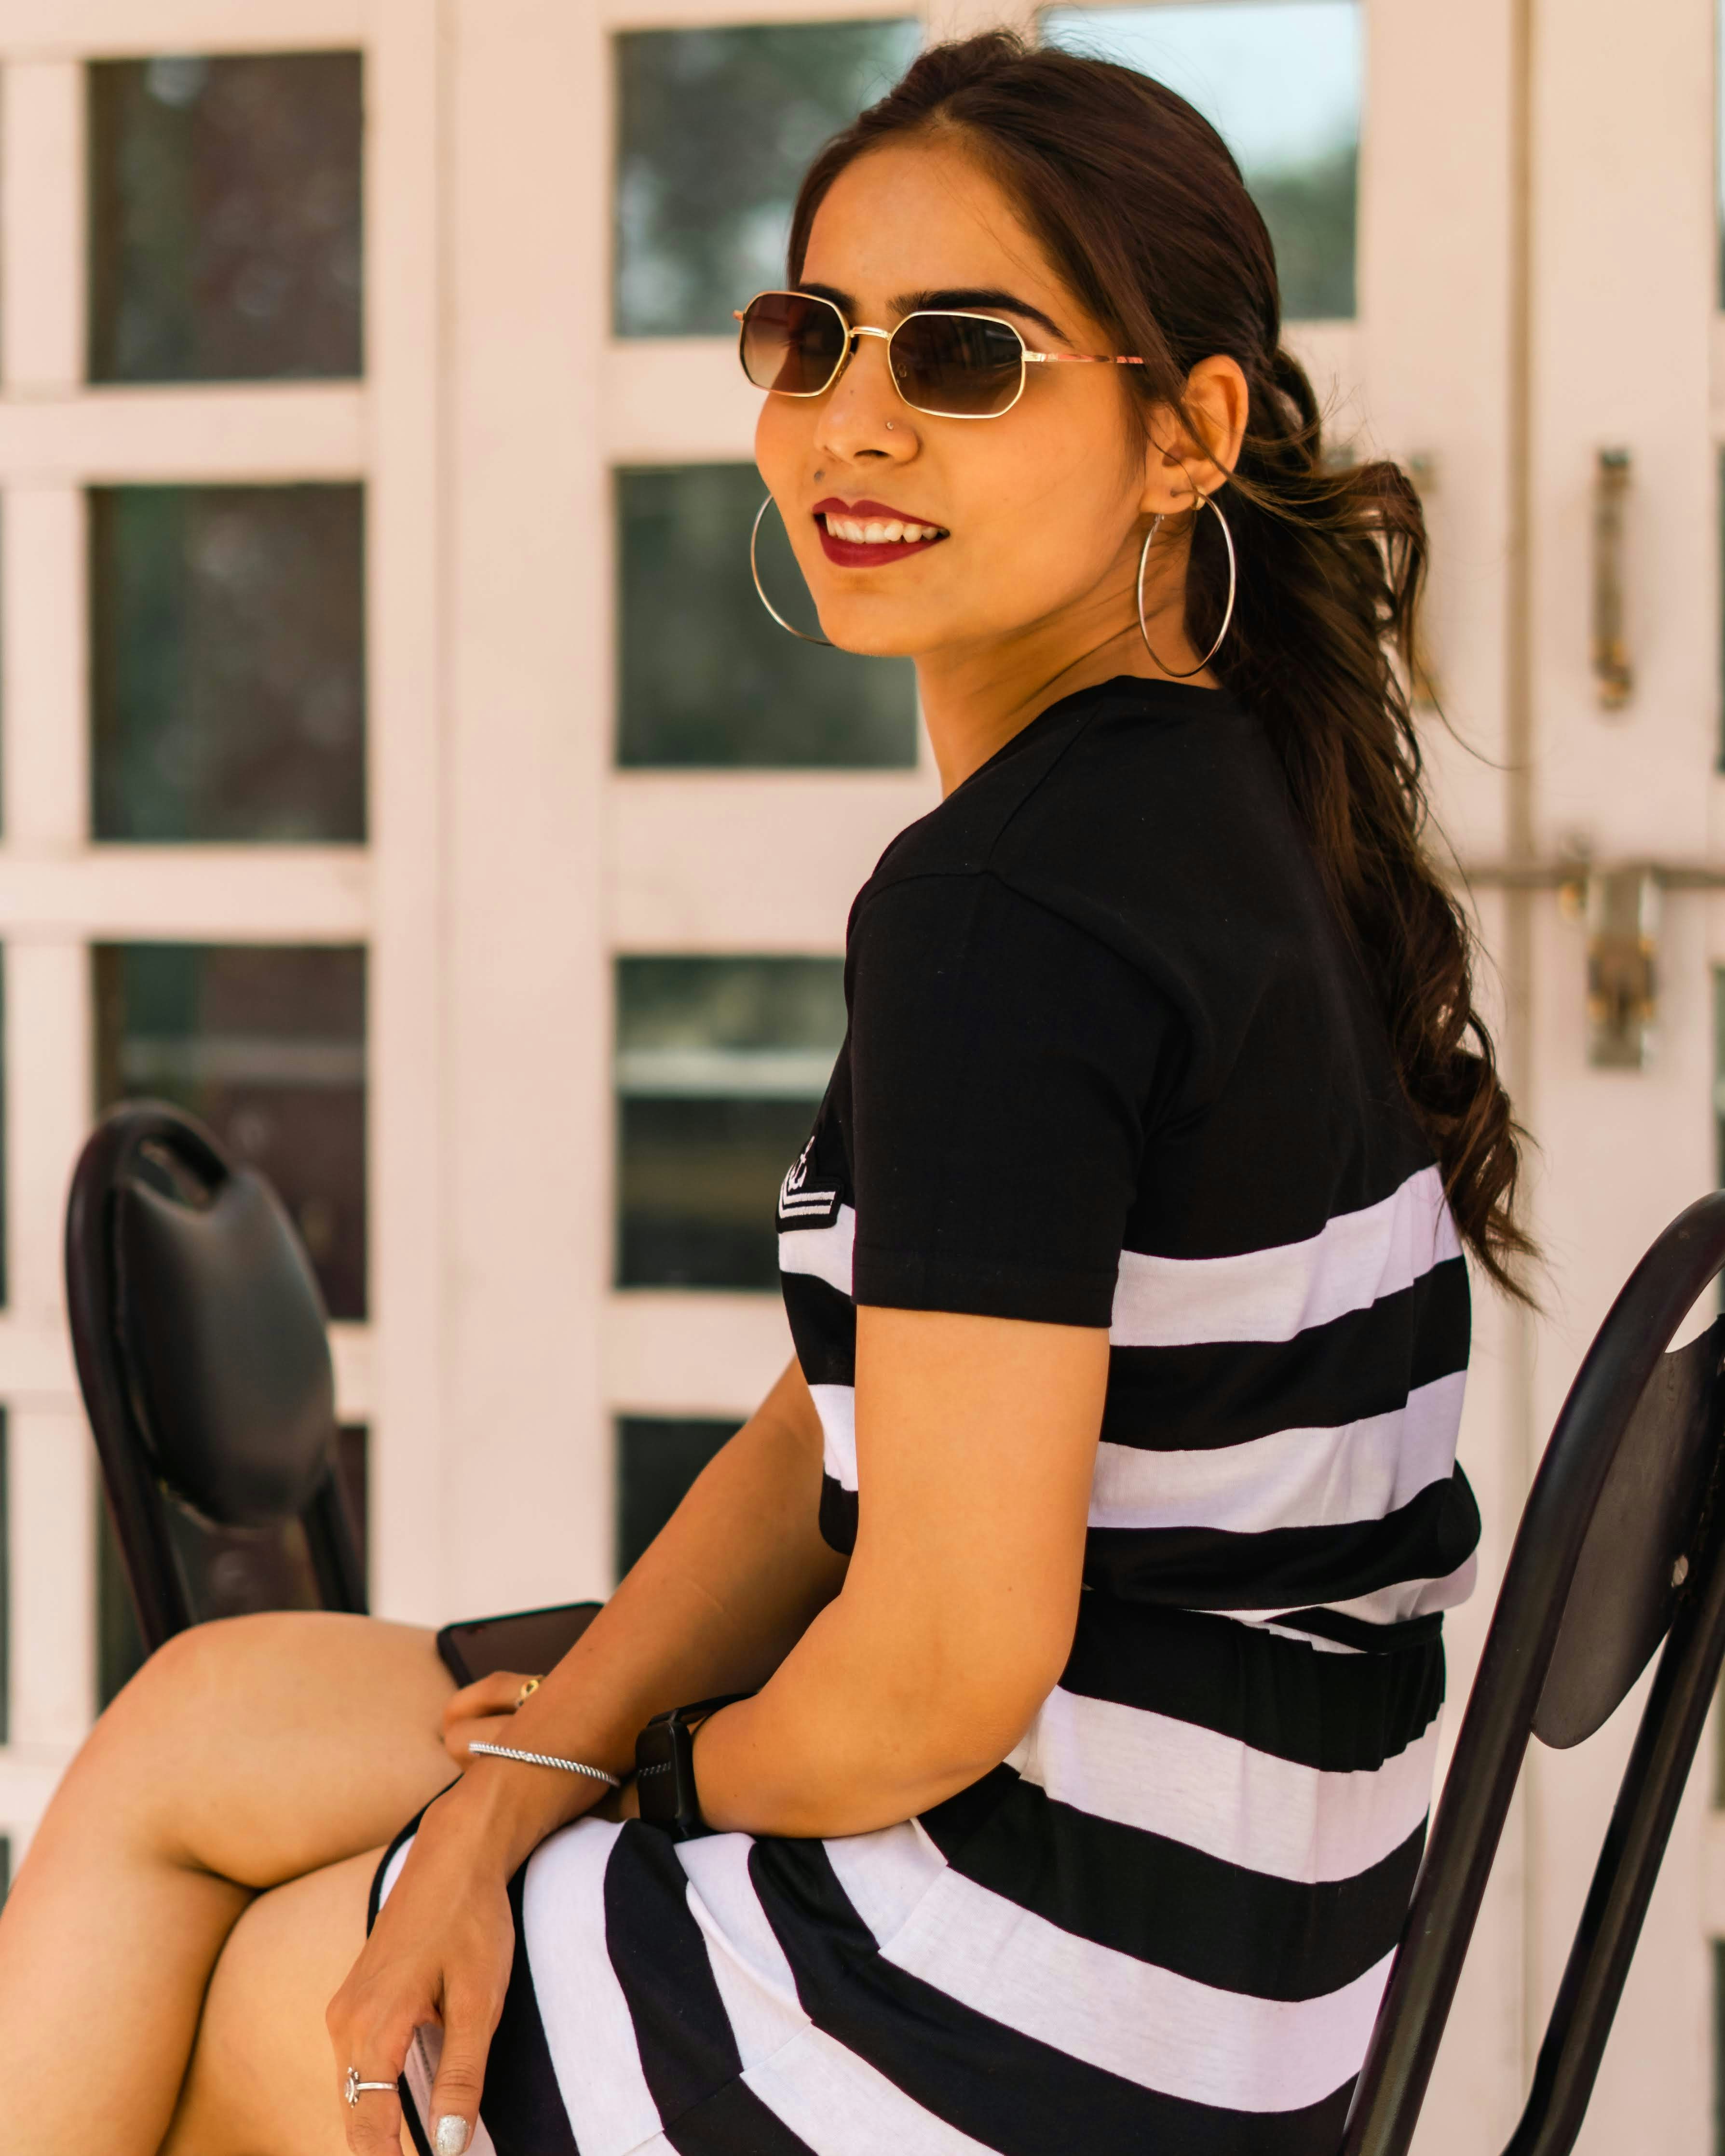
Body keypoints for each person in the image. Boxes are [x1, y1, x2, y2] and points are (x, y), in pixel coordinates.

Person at [0, 32, 1530, 2156]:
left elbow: (930, 1671)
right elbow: (842, 1438)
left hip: (1048, 1994)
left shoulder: (1013, 906)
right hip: (1244, 1955)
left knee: (271, 1993)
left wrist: (607, 1783)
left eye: (970, 356)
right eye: (813, 337)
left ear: (1185, 436)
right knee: (197, 1722)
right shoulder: (1224, 801)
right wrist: (551, 1750)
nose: (853, 417)